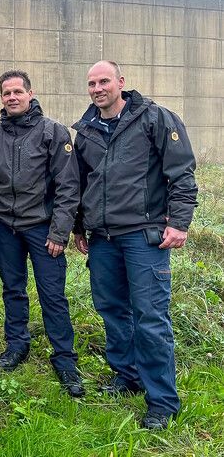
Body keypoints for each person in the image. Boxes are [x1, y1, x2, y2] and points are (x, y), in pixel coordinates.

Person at [72, 60, 198, 429]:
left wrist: (179, 223)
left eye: (104, 81)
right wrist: (80, 227)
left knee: (150, 317)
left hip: (144, 237)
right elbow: (83, 184)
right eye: (92, 83)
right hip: (103, 240)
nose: (97, 89)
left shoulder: (155, 119)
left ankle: (162, 401)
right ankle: (127, 376)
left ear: (121, 83)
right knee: (112, 309)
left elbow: (182, 173)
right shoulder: (87, 131)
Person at [0, 70, 84, 397]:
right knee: (13, 290)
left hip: (43, 231)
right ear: (1, 97)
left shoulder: (53, 132)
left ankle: (65, 359)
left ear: (30, 93)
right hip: (6, 230)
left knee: (52, 295)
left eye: (17, 91)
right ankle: (17, 345)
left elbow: (68, 187)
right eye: (6, 92)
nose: (12, 97)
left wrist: (59, 231)